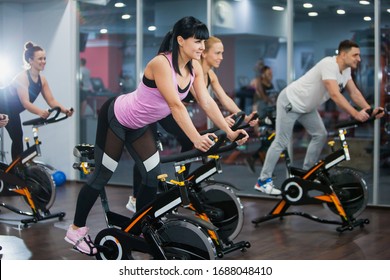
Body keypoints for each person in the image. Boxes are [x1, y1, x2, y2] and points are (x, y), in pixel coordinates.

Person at [65, 16, 249, 255]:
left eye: (204, 41)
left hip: (141, 126)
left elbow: (206, 101)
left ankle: (140, 226)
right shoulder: (162, 64)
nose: (202, 46)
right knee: (102, 174)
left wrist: (230, 132)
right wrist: (195, 138)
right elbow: (175, 105)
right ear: (181, 40)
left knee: (152, 178)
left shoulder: (194, 69)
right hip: (117, 118)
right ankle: (76, 229)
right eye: (197, 41)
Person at [126, 36, 257, 212]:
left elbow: (222, 98)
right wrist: (222, 122)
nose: (221, 57)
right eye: (217, 53)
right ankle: (137, 197)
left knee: (191, 142)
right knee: (148, 153)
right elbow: (203, 101)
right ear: (204, 54)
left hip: (173, 111)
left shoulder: (210, 74)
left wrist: (243, 116)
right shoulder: (192, 71)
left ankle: (183, 184)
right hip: (159, 110)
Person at [254, 39, 384, 196]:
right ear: (343, 54)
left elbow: (354, 93)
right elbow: (335, 94)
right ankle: (263, 181)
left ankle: (307, 174)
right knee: (282, 141)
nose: (359, 58)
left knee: (320, 134)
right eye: (355, 55)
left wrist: (369, 110)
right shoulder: (329, 65)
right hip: (290, 102)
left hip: (307, 107)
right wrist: (356, 113)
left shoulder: (346, 71)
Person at [0, 42, 74, 160]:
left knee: (18, 138)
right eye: (40, 59)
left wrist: (65, 111)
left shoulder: (42, 80)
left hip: (11, 111)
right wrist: (40, 112)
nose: (43, 61)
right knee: (17, 137)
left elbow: (51, 100)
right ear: (30, 60)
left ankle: (16, 171)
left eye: (44, 58)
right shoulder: (23, 77)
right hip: (2, 105)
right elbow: (25, 102)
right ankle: (15, 170)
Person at [244, 64, 278, 173]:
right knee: (267, 146)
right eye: (268, 73)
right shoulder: (259, 87)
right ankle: (266, 172)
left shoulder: (270, 85)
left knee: (267, 145)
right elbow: (255, 106)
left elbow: (272, 100)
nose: (271, 75)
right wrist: (256, 125)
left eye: (271, 73)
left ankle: (253, 160)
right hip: (262, 118)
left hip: (270, 117)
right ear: (263, 74)